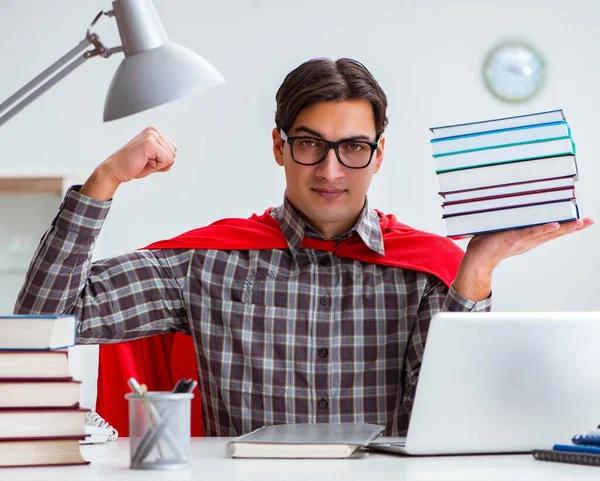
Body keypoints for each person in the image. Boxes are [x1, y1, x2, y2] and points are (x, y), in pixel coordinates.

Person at [14, 58, 592, 437]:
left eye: (354, 148)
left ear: (379, 154)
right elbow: (44, 323)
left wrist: (481, 264)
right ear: (279, 147)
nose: (332, 171)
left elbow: (453, 420)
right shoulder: (207, 263)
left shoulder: (430, 272)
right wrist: (104, 181)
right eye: (311, 145)